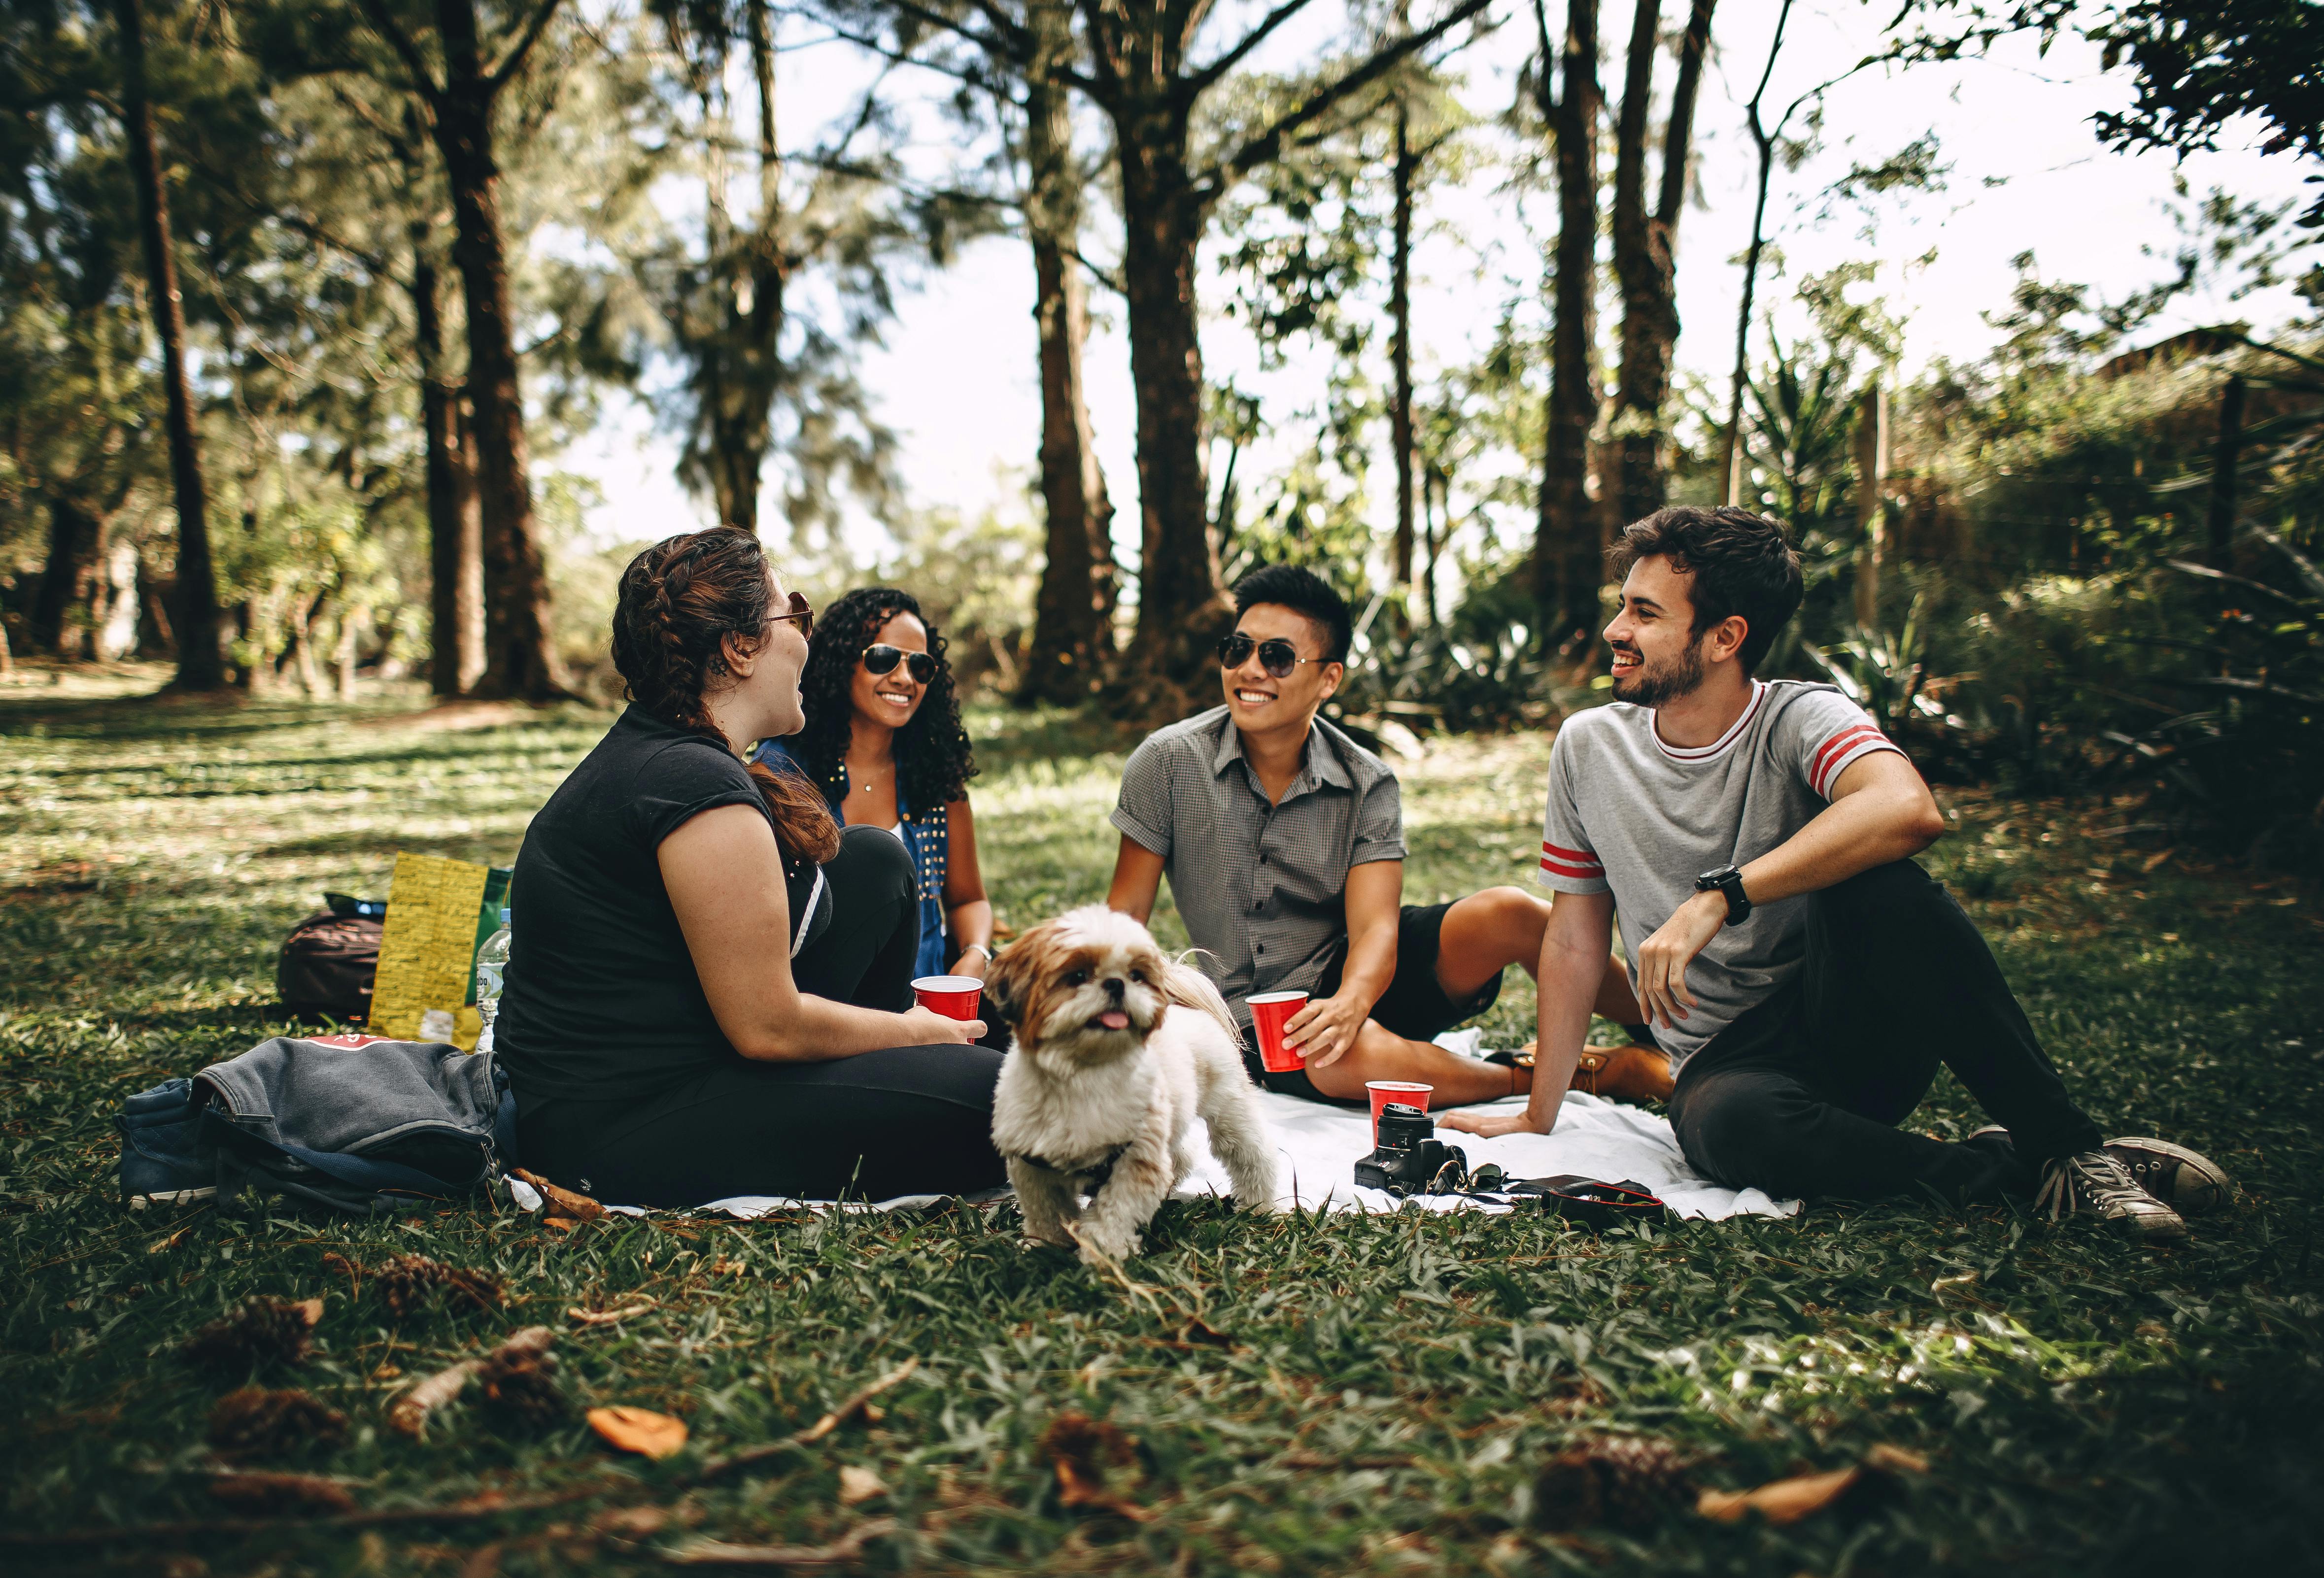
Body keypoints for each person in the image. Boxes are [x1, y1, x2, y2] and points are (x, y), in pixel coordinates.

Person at [1442, 505, 2230, 1241]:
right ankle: (2022, 1170)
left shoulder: (1801, 715)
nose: (1616, 628)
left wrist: (1725, 893)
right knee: (1732, 1128)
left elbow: (1907, 807)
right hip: (1728, 1068)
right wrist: (1539, 1115)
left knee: (1882, 882)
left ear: (1725, 637)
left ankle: (2070, 1146)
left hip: (1852, 1023)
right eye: (1625, 604)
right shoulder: (1589, 746)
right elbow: (1576, 939)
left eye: (1645, 613)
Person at [494, 529, 1006, 1208]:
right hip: (618, 1124)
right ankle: (915, 1073)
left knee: (875, 861)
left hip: (692, 1049)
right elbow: (768, 1026)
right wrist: (920, 1029)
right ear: (739, 648)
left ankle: (902, 1074)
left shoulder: (674, 753)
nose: (805, 637)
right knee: (1005, 1102)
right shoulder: (692, 785)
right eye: (793, 613)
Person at [1106, 563, 1665, 1107]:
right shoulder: (1168, 763)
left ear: (1329, 678)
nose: (1250, 670)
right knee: (1338, 1057)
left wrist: (1351, 1000)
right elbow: (1125, 913)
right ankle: (1571, 1073)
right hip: (1258, 1017)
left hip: (1361, 974)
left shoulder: (1366, 780)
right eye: (1238, 649)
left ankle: (1670, 1031)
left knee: (1511, 912)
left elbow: (1376, 927)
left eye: (1276, 657)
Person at [752, 587, 993, 986]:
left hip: (930, 1001)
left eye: (920, 666)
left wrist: (974, 957)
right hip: (830, 1007)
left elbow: (968, 899)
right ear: (840, 663)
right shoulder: (782, 772)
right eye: (883, 658)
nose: (903, 678)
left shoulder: (935, 773)